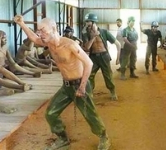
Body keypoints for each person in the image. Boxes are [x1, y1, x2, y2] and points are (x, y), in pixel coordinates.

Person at [14, 15, 111, 150]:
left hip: (80, 84)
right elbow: (34, 38)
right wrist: (22, 23)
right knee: (51, 113)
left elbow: (89, 63)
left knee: (90, 114)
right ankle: (63, 139)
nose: (39, 34)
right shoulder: (48, 42)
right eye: (38, 30)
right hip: (66, 86)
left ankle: (103, 136)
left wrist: (82, 86)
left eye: (42, 30)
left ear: (53, 29)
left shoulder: (70, 44)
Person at [81, 13, 118, 100]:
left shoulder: (104, 32)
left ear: (94, 22)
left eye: (89, 21)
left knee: (108, 75)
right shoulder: (86, 34)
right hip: (93, 57)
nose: (87, 24)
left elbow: (117, 43)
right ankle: (90, 92)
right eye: (86, 22)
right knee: (90, 75)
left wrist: (118, 56)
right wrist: (93, 37)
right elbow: (87, 47)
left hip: (104, 56)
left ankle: (112, 91)